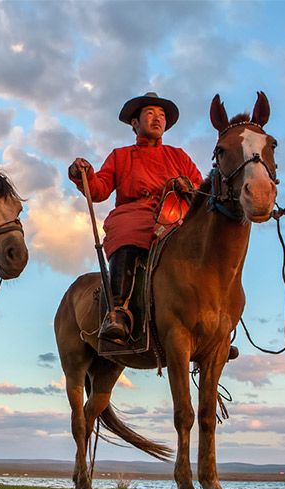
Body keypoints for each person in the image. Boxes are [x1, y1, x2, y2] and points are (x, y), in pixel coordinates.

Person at [68, 92, 202, 349]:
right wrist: (82, 174)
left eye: (162, 115)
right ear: (134, 122)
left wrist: (189, 185)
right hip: (135, 212)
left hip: (176, 215)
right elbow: (100, 189)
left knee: (207, 244)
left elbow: (200, 186)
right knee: (126, 232)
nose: (157, 119)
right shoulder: (120, 155)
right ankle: (118, 312)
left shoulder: (179, 156)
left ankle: (214, 324)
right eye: (150, 113)